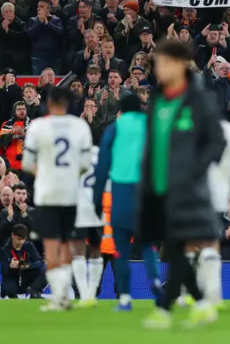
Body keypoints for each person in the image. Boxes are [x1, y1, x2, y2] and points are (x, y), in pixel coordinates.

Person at [137, 40, 225, 329]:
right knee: (174, 248)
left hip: (186, 187)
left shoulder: (199, 100)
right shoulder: (158, 100)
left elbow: (217, 142)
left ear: (178, 64)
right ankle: (200, 303)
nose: (158, 70)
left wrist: (195, 172)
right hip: (157, 188)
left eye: (162, 63)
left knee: (176, 246)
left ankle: (165, 308)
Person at [21, 87, 93, 312]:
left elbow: (26, 164)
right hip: (71, 193)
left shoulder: (38, 126)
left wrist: (44, 174)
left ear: (50, 103)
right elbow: (85, 165)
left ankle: (59, 297)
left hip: (47, 193)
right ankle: (64, 296)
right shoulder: (80, 126)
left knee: (50, 245)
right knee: (66, 245)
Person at [93, 93, 162, 312]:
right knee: (148, 243)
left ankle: (124, 298)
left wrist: (96, 199)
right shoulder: (152, 126)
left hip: (121, 192)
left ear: (121, 109)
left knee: (120, 248)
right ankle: (155, 281)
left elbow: (103, 166)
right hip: (147, 193)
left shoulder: (115, 129)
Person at [201, 116, 230, 309]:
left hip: (198, 194)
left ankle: (199, 292)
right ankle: (211, 292)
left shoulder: (187, 122)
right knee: (209, 245)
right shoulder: (229, 131)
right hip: (213, 195)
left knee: (195, 244)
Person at [71, 146, 105, 308]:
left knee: (78, 250)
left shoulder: (75, 155)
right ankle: (91, 292)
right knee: (96, 248)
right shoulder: (101, 154)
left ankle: (84, 294)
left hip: (79, 207)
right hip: (98, 207)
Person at [0, 224, 45, 298]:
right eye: (19, 239)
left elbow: (40, 262)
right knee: (8, 287)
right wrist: (10, 266)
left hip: (27, 276)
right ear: (13, 236)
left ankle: (34, 292)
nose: (21, 242)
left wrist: (29, 265)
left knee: (46, 271)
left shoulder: (29, 246)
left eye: (23, 239)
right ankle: (12, 297)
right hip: (13, 277)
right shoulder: (5, 250)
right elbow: (3, 271)